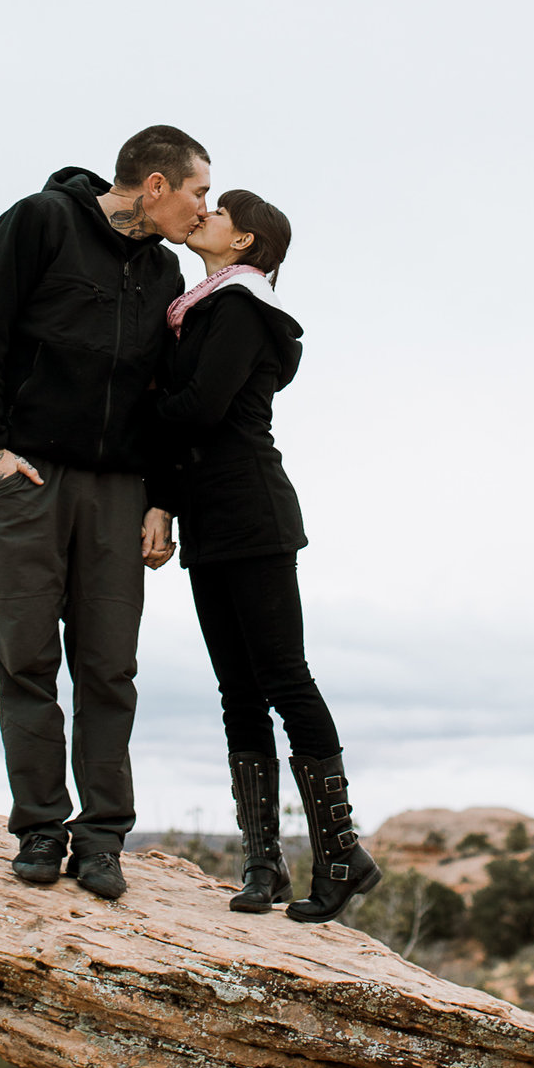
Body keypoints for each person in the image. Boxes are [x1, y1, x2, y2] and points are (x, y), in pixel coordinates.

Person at [0, 126, 209, 901]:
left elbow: (167, 398)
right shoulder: (40, 222)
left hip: (120, 490)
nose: (204, 207)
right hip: (29, 474)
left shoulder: (164, 270)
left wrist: (163, 498)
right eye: (197, 190)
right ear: (155, 185)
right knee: (25, 655)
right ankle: (39, 827)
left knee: (108, 666)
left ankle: (101, 839)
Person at [156, 188, 382, 920]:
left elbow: (199, 409)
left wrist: (122, 399)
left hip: (253, 512)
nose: (205, 217)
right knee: (237, 691)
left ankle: (342, 853)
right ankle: (264, 864)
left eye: (218, 211)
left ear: (244, 241)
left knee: (285, 676)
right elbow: (186, 422)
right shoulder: (203, 307)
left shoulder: (245, 308)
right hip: (211, 519)